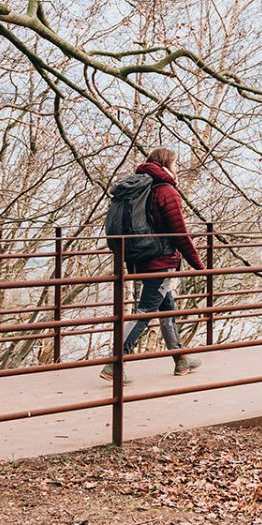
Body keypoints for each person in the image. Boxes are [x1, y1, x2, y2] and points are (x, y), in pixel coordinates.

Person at [103, 147, 205, 383]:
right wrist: (198, 264)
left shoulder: (141, 188)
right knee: (146, 311)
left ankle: (180, 358)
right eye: (175, 164)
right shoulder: (166, 191)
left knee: (166, 307)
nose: (177, 168)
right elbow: (180, 233)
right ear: (166, 164)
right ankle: (114, 363)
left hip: (140, 257)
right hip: (161, 260)